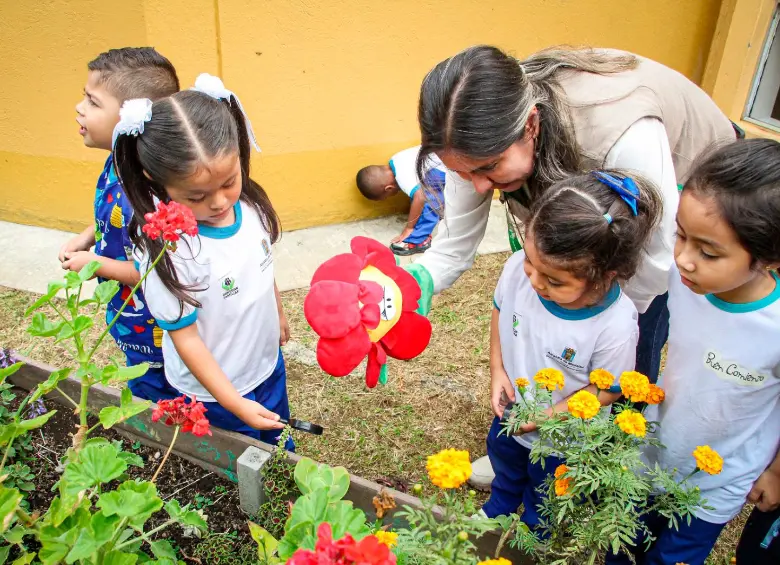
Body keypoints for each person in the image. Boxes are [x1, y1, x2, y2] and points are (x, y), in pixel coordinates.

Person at [406, 45, 736, 488]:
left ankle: (592, 467)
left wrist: (601, 316)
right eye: (465, 174)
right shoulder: (475, 142)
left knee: (623, 363)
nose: (480, 186)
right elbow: (454, 246)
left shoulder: (619, 133)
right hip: (598, 196)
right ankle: (525, 445)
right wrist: (405, 290)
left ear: (531, 126)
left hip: (688, 191)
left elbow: (659, 261)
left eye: (489, 169)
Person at [606, 139, 780, 565]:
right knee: (619, 548)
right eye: (681, 236)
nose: (683, 259)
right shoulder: (683, 286)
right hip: (652, 454)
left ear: (769, 257)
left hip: (716, 484)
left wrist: (776, 472)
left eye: (708, 251)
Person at [114, 75, 293, 447]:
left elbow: (262, 266)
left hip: (265, 365)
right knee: (240, 460)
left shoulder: (250, 208)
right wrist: (234, 402)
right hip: (216, 392)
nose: (218, 202)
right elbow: (187, 339)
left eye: (229, 181)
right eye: (196, 196)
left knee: (277, 441)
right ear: (156, 181)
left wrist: (277, 311)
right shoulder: (169, 250)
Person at [483, 169, 661, 524]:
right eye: (532, 263)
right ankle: (498, 505)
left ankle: (537, 532)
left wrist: (546, 417)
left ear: (606, 273)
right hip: (513, 412)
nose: (533, 280)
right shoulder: (518, 269)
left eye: (554, 280)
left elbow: (606, 390)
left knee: (547, 493)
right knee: (505, 460)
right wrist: (497, 370)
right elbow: (500, 311)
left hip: (564, 442)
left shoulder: (615, 325)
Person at [59, 47, 179, 401]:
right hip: (129, 316)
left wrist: (95, 264)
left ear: (130, 117)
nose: (80, 108)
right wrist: (88, 236)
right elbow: (111, 218)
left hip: (158, 327)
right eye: (85, 97)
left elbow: (155, 268)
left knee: (163, 391)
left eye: (94, 102)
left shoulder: (149, 191)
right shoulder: (117, 162)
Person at [356, 145, 446, 255]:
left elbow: (420, 197)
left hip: (444, 166)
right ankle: (443, 209)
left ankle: (419, 240)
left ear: (389, 188)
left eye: (388, 196)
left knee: (430, 198)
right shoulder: (395, 159)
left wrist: (409, 227)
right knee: (420, 193)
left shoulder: (403, 179)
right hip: (442, 154)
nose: (391, 196)